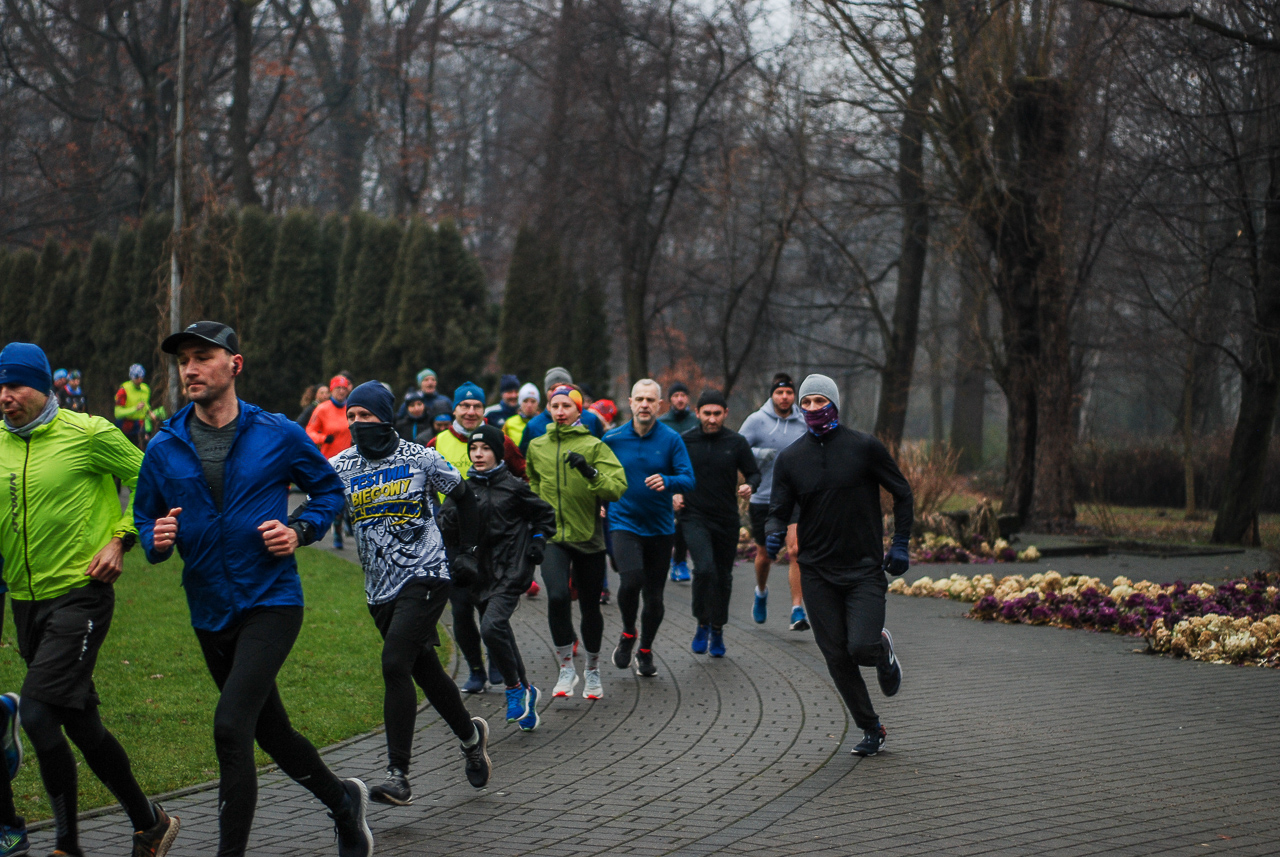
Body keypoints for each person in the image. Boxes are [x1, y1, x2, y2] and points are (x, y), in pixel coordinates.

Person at [134, 321, 374, 857]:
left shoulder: (277, 432)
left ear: (234, 364)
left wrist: (300, 529)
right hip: (209, 608)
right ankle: (342, 802)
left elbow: (329, 490)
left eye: (202, 357)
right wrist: (156, 537)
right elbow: (145, 519)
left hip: (271, 601)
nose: (190, 369)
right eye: (182, 361)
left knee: (230, 726)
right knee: (273, 733)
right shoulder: (165, 445)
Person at [0, 342, 180, 857]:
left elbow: (153, 480)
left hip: (81, 595)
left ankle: (67, 846)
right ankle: (150, 822)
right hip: (26, 602)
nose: (6, 396)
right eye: (0, 387)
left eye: (16, 386)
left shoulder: (89, 433)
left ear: (44, 386)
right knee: (81, 724)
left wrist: (121, 538)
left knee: (35, 715)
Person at [325, 382, 493, 806]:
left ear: (386, 416)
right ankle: (472, 739)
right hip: (378, 588)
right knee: (427, 673)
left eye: (366, 416)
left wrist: (469, 552)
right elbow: (314, 506)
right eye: (352, 417)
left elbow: (465, 497)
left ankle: (397, 774)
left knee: (394, 662)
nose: (358, 424)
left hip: (426, 573)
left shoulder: (420, 457)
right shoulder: (341, 466)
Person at [765, 374, 911, 758]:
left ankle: (881, 649)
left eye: (819, 401)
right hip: (817, 572)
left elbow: (902, 492)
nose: (812, 409)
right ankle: (871, 728)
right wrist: (773, 532)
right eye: (806, 402)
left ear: (833, 404)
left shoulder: (864, 448)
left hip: (863, 568)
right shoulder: (791, 458)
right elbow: (778, 508)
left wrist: (900, 544)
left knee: (860, 646)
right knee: (836, 656)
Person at [441, 425, 554, 732]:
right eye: (474, 450)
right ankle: (528, 692)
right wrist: (448, 524)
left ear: (498, 452)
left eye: (485, 449)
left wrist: (539, 540)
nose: (478, 454)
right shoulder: (463, 490)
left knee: (491, 627)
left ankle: (515, 689)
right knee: (499, 629)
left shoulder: (514, 487)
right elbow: (444, 525)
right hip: (479, 574)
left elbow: (545, 515)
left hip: (511, 571)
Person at [526, 385, 626, 700]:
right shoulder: (538, 446)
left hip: (588, 537)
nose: (560, 411)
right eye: (555, 405)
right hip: (554, 536)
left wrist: (589, 471)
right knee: (556, 597)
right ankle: (566, 668)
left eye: (566, 406)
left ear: (578, 411)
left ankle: (593, 671)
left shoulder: (595, 445)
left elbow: (617, 488)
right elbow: (533, 482)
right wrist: (537, 518)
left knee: (589, 607)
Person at [428, 382, 526, 692]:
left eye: (477, 407)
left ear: (484, 410)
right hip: (454, 540)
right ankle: (475, 670)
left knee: (489, 607)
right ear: (454, 409)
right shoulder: (436, 443)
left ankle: (497, 660)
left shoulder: (501, 441)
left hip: (493, 539)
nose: (471, 412)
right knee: (460, 608)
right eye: (465, 406)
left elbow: (523, 476)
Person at [604, 380, 695, 679]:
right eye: (639, 399)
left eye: (650, 400)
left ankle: (645, 649)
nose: (644, 405)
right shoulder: (612, 438)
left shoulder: (671, 439)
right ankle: (629, 632)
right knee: (630, 581)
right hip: (623, 522)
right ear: (630, 402)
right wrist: (600, 501)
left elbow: (688, 479)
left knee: (654, 597)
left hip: (658, 528)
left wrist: (668, 481)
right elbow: (598, 475)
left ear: (660, 405)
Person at [675, 390, 760, 658]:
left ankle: (718, 628)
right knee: (704, 569)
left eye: (717, 413)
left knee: (723, 576)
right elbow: (670, 470)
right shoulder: (685, 441)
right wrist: (674, 492)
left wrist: (749, 485)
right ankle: (702, 622)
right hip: (694, 515)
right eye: (706, 413)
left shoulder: (736, 442)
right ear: (697, 413)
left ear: (725, 414)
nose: (711, 419)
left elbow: (754, 472)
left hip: (726, 518)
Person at [739, 373, 810, 629]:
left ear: (794, 395)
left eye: (789, 393)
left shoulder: (803, 420)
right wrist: (760, 453)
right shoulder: (757, 420)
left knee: (795, 551)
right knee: (765, 554)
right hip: (764, 497)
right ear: (772, 395)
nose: (784, 397)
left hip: (795, 497)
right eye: (779, 393)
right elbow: (739, 448)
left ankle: (797, 610)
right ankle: (760, 592)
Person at [306, 375, 354, 549]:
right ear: (332, 390)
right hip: (330, 462)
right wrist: (324, 438)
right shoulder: (322, 409)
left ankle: (349, 524)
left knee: (353, 497)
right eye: (337, 388)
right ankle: (338, 533)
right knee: (338, 499)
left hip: (351, 459)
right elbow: (309, 432)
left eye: (344, 388)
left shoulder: (352, 407)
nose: (341, 392)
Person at [657, 381, 698, 583]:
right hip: (668, 479)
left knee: (685, 520)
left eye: (683, 395)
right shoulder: (663, 423)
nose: (680, 399)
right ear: (669, 399)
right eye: (676, 395)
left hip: (692, 477)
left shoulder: (696, 421)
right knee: (671, 520)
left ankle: (680, 561)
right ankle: (667, 560)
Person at [517, 367, 606, 455]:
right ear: (546, 392)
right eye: (553, 389)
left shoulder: (591, 419)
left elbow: (602, 452)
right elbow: (524, 460)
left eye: (562, 388)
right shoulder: (534, 425)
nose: (558, 392)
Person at [114, 363, 152, 449]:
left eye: (141, 377)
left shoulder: (146, 389)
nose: (139, 380)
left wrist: (150, 412)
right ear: (132, 377)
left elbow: (146, 404)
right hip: (125, 426)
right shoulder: (123, 390)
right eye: (137, 378)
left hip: (140, 426)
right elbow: (117, 413)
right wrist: (135, 409)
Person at [504, 383, 540, 448]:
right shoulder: (509, 423)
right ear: (520, 403)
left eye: (533, 401)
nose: (529, 405)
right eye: (525, 401)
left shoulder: (544, 422)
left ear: (538, 403)